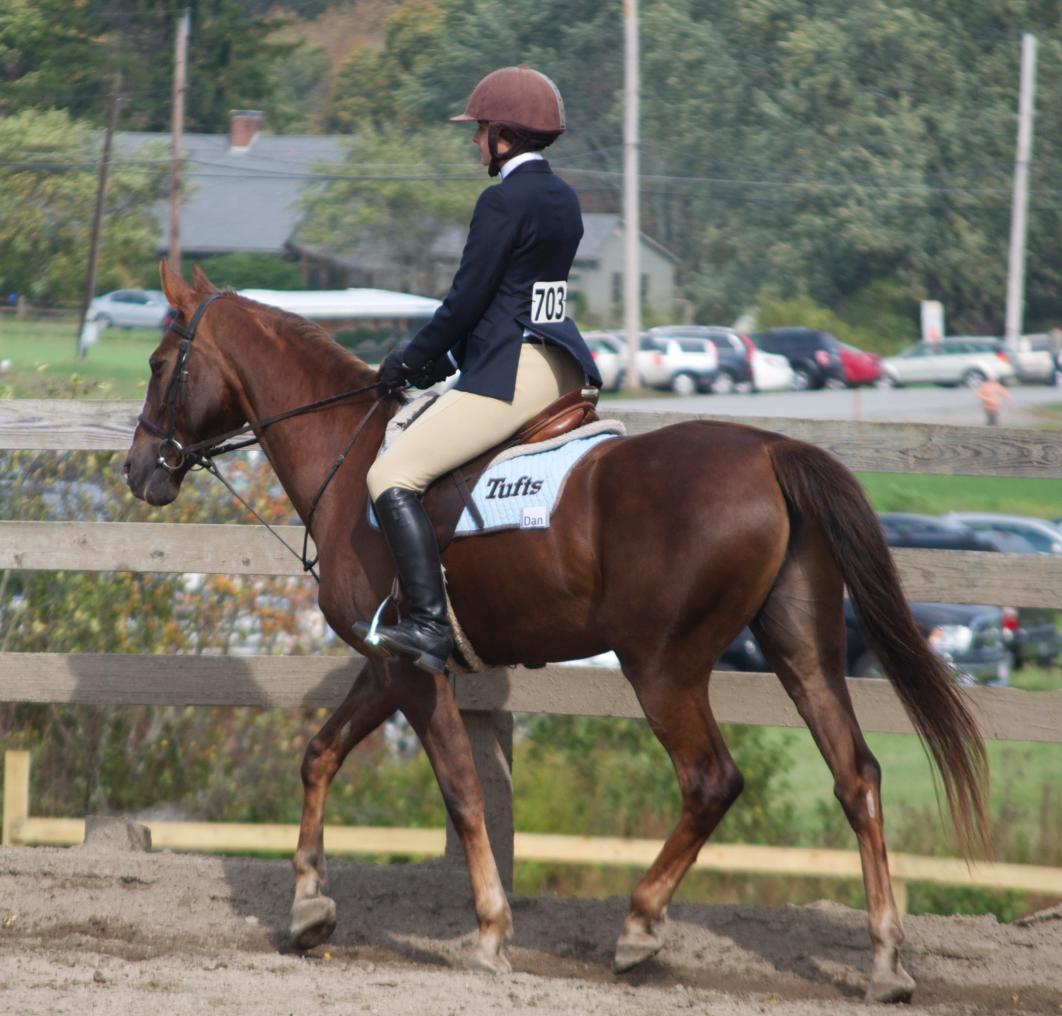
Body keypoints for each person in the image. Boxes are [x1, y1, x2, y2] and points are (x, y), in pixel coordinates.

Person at [356, 66, 602, 673]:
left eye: (481, 130)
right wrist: (440, 360)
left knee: (390, 475)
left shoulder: (501, 202)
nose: (475, 141)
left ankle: (429, 624)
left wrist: (408, 360)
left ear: (505, 136)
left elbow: (467, 300)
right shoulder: (564, 198)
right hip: (562, 366)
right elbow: (509, 298)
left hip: (512, 373)